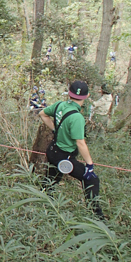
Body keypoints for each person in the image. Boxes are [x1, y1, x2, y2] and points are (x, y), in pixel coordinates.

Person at [39, 80, 105, 219]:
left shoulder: (59, 105)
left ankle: (43, 202)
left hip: (53, 150)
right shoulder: (77, 117)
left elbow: (43, 114)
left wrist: (55, 129)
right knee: (91, 180)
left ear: (69, 93)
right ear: (86, 96)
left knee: (52, 178)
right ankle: (96, 215)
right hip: (64, 157)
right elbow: (80, 143)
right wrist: (90, 165)